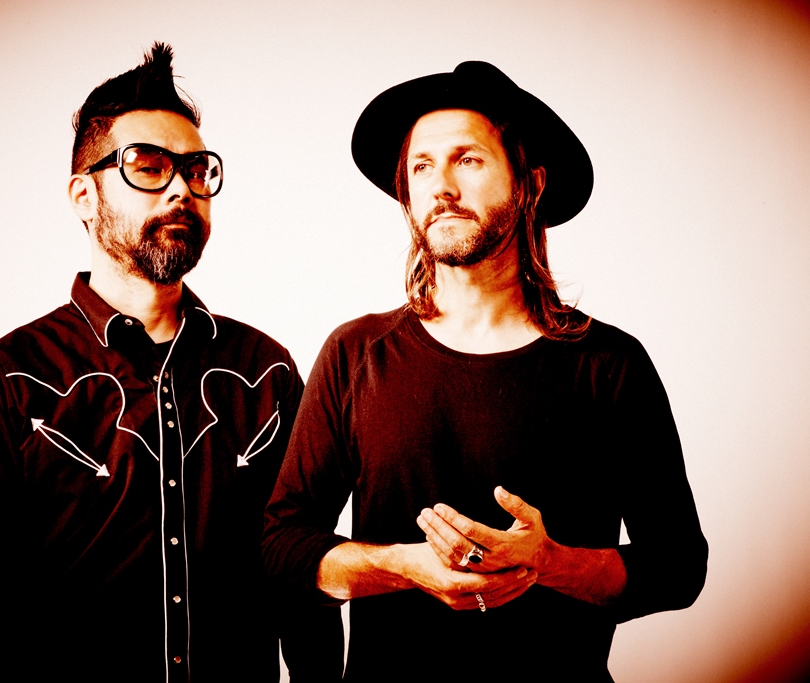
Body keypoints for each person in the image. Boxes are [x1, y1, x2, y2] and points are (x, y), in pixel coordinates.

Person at [262, 61, 708, 681]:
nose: (440, 187)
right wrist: (404, 566)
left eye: (467, 160)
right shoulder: (356, 354)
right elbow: (281, 545)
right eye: (421, 167)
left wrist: (548, 563)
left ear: (530, 184)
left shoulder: (609, 365)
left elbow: (679, 567)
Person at [0, 43, 341, 682]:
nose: (181, 189)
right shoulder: (6, 379)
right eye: (148, 166)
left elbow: (298, 568)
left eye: (197, 171)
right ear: (84, 196)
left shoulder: (266, 371)